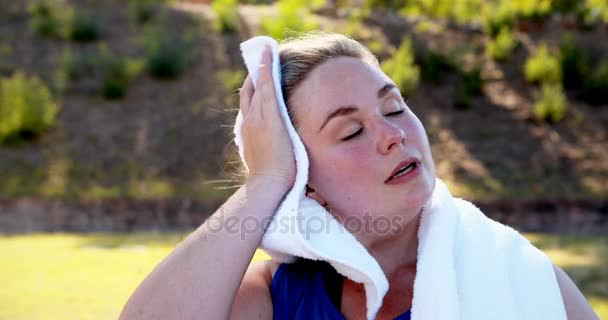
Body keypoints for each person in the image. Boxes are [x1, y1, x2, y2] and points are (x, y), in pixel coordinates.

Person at [118, 33, 598, 320]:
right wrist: (264, 183)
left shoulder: (514, 274)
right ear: (304, 181)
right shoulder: (281, 299)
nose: (394, 134)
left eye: (394, 106)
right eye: (351, 132)